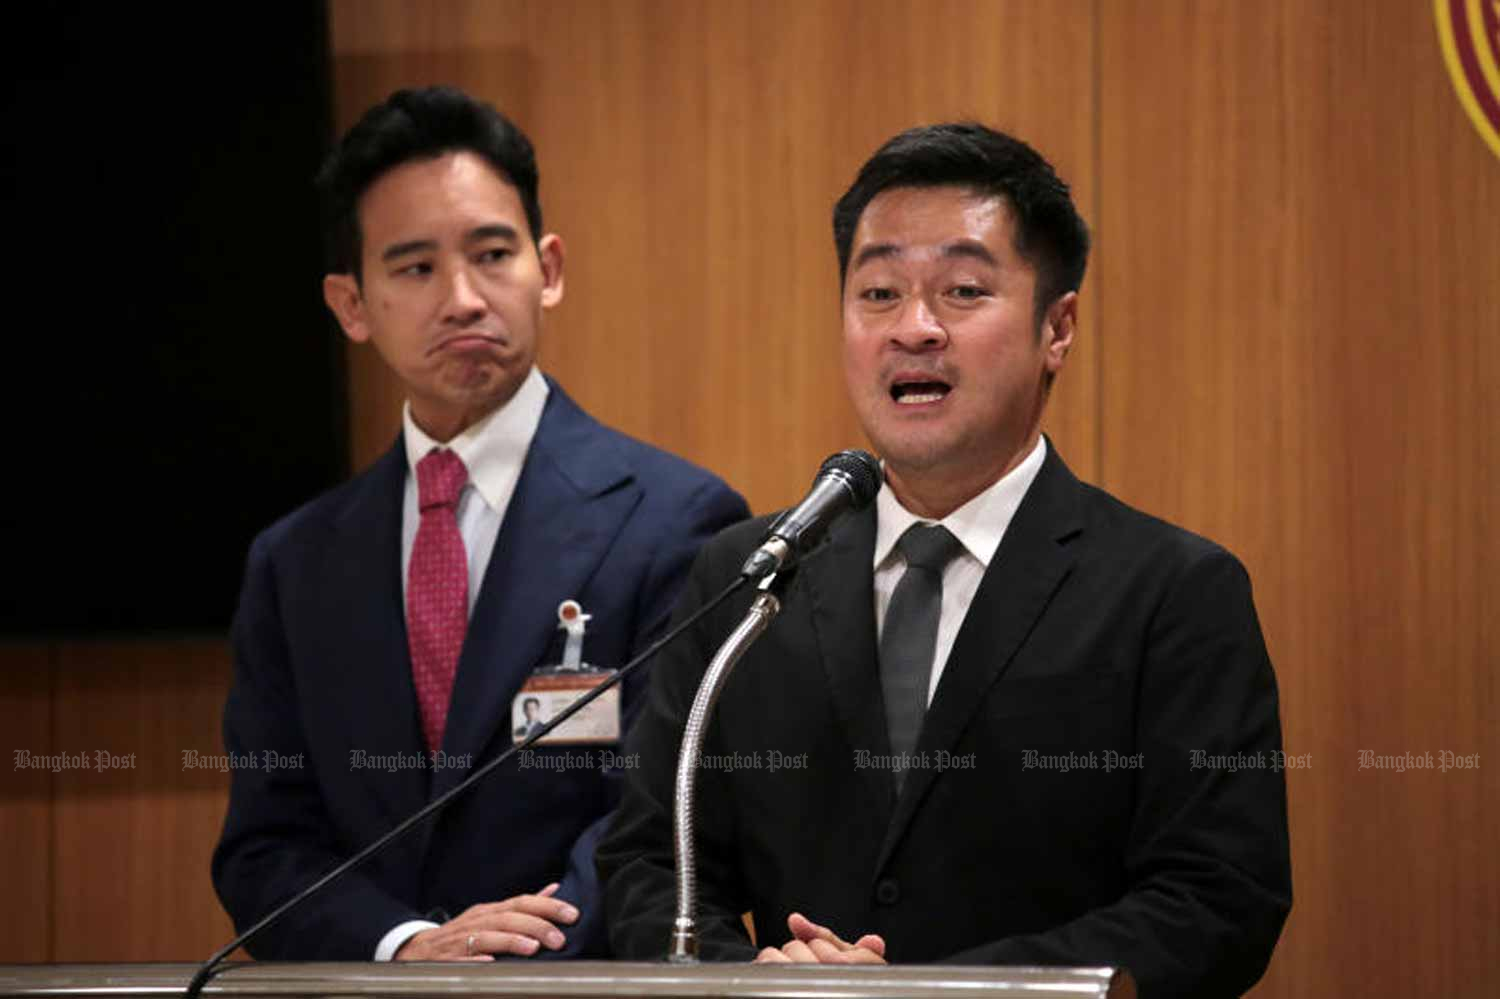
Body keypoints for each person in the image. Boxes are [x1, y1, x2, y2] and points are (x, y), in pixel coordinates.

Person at [598, 123, 1291, 998]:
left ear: (1058, 328)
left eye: (963, 290)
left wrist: (923, 993)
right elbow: (651, 859)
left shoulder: (1175, 593)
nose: (913, 329)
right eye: (878, 291)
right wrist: (760, 986)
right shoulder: (750, 577)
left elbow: (1218, 898)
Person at [212, 86, 749, 962]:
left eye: (492, 253)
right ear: (351, 304)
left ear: (551, 268)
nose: (463, 298)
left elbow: (657, 819)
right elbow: (266, 842)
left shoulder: (678, 522)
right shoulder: (294, 563)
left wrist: (501, 963)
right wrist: (408, 944)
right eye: (416, 267)